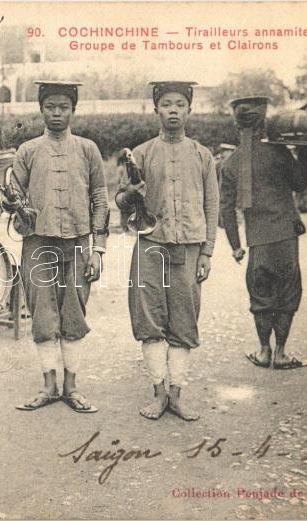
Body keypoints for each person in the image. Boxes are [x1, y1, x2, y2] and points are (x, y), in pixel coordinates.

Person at [116, 81, 218, 422]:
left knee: (185, 320)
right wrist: (130, 192)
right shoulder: (141, 154)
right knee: (149, 318)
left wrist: (207, 253)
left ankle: (177, 394)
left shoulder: (203, 156)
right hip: (151, 245)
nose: (173, 110)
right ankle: (158, 393)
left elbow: (212, 206)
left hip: (189, 248)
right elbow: (121, 201)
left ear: (189, 110)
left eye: (179, 104)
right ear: (156, 109)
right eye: (166, 104)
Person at [8, 80, 109, 414]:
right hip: (38, 243)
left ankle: (71, 386)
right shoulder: (27, 151)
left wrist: (98, 248)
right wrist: (14, 204)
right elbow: (15, 195)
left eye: (63, 107)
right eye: (50, 106)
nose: (56, 113)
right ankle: (49, 386)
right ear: (41, 109)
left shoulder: (88, 150)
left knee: (74, 312)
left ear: (73, 110)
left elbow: (100, 199)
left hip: (79, 243)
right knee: (42, 314)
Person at [219, 96, 307, 370]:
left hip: (257, 241)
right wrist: (305, 152)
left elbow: (226, 211)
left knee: (260, 295)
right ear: (264, 120)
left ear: (237, 124)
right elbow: (300, 183)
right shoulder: (280, 152)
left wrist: (235, 246)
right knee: (287, 292)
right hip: (285, 238)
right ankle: (281, 353)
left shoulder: (231, 163)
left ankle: (263, 352)